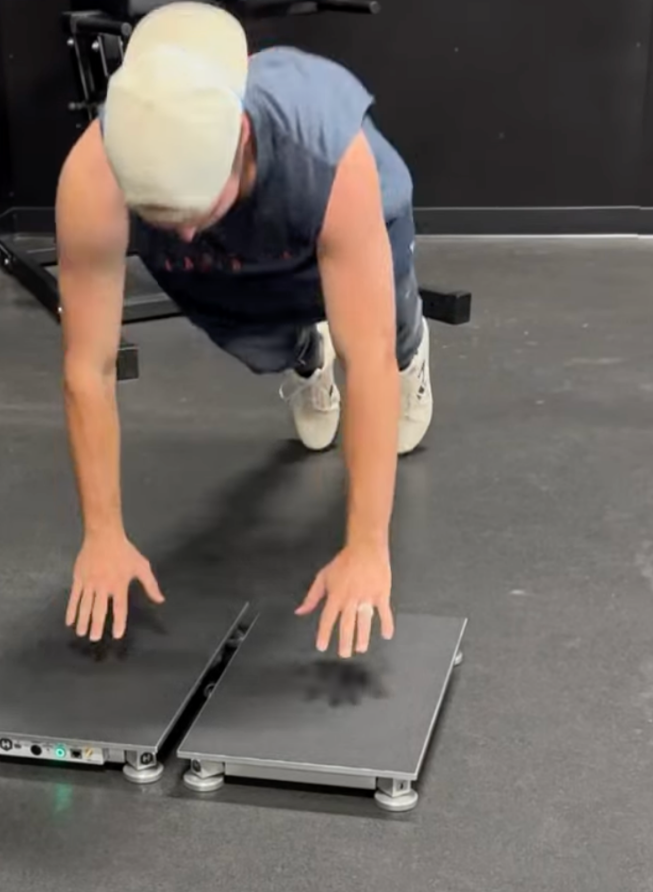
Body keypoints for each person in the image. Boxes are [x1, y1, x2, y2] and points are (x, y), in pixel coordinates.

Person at [56, 1, 430, 658]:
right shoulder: (94, 173)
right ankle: (302, 353)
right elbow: (89, 366)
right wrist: (102, 533)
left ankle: (414, 349)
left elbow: (365, 360)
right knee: (252, 319)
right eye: (162, 215)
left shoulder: (326, 151)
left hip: (333, 211)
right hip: (231, 255)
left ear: (243, 142)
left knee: (381, 334)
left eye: (199, 208)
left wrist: (367, 548)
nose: (186, 231)